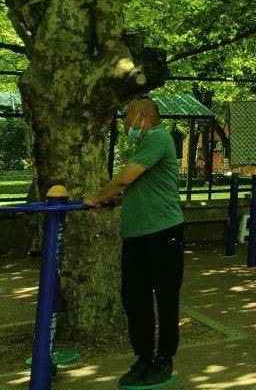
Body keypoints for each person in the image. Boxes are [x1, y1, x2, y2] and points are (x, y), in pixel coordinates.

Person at [86, 97, 184, 389]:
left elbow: (124, 179)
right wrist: (116, 201)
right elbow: (140, 186)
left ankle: (164, 358)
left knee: (166, 297)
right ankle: (143, 357)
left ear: (142, 115)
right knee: (134, 298)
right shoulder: (143, 144)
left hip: (163, 231)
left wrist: (96, 198)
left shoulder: (158, 137)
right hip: (137, 235)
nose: (125, 121)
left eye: (127, 115)